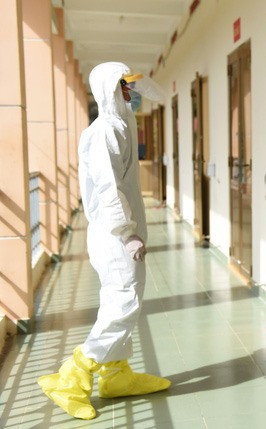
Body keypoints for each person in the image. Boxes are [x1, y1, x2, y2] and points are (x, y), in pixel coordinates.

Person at [38, 62, 169, 420]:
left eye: (129, 86)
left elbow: (121, 185)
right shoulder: (104, 132)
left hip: (119, 234)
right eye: (123, 87)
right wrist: (127, 233)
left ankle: (116, 375)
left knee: (121, 301)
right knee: (123, 304)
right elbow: (109, 189)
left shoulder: (121, 124)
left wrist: (130, 231)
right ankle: (73, 376)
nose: (130, 93)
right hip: (115, 236)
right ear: (109, 90)